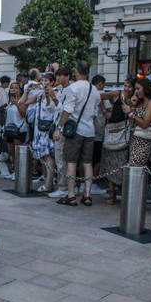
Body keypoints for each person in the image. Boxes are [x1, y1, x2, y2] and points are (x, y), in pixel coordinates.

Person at [53, 61, 101, 206]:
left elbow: (67, 110)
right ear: (88, 72)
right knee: (87, 163)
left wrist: (59, 128)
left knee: (71, 163)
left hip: (75, 130)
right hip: (89, 130)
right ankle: (87, 194)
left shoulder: (72, 88)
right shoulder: (95, 90)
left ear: (76, 71)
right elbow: (95, 113)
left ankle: (72, 195)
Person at [99, 77, 136, 205]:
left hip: (126, 134)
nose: (126, 88)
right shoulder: (117, 94)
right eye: (125, 85)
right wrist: (105, 111)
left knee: (122, 163)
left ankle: (121, 189)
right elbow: (100, 96)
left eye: (129, 86)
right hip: (112, 131)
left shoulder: (136, 99)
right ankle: (111, 191)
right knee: (109, 163)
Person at [28, 73, 57, 193]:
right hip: (39, 128)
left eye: (47, 80)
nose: (44, 82)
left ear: (52, 82)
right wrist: (27, 90)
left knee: (49, 155)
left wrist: (49, 94)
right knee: (44, 156)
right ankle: (47, 179)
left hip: (48, 128)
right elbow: (25, 101)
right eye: (43, 80)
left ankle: (50, 182)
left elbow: (54, 107)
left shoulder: (55, 92)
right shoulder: (40, 95)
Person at [46, 66, 73, 198]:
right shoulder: (62, 91)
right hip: (59, 126)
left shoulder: (70, 91)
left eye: (61, 76)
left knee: (61, 159)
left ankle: (63, 187)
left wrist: (53, 96)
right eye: (57, 76)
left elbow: (65, 110)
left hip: (63, 129)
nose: (58, 78)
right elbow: (53, 109)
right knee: (60, 159)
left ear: (67, 76)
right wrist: (48, 97)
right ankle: (63, 186)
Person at [124, 78, 151, 166]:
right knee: (134, 164)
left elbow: (144, 124)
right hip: (135, 138)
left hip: (143, 140)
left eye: (138, 89)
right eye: (135, 89)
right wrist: (133, 105)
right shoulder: (140, 103)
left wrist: (130, 112)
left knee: (136, 164)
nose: (136, 91)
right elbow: (132, 121)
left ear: (146, 88)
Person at [5, 82, 27, 180]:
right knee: (11, 152)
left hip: (19, 128)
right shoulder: (9, 101)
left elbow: (23, 114)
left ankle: (19, 172)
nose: (14, 90)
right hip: (10, 128)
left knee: (17, 151)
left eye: (16, 88)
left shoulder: (22, 100)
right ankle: (14, 170)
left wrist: (17, 104)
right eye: (12, 88)